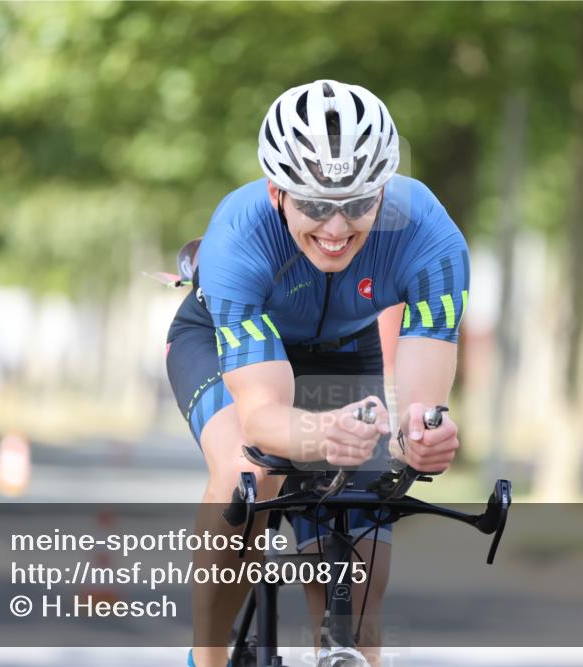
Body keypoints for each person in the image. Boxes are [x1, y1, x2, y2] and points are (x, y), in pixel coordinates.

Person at [166, 79, 469, 667]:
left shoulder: (431, 236)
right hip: (218, 340)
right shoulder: (239, 235)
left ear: (383, 190)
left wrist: (421, 438)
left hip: (343, 348)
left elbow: (420, 409)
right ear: (277, 192)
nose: (336, 230)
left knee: (359, 578)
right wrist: (321, 435)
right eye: (314, 206)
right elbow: (261, 420)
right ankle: (206, 658)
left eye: (358, 204)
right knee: (246, 474)